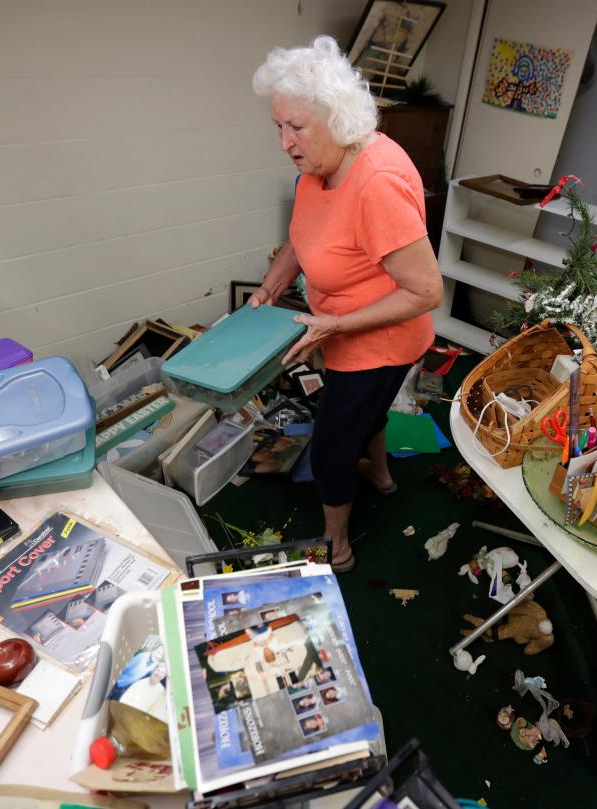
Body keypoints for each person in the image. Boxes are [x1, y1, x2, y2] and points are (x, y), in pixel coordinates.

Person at [249, 36, 442, 573]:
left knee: (333, 445)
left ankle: (338, 547)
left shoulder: (376, 182)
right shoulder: (319, 164)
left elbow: (426, 291)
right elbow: (302, 238)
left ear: (336, 118)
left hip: (378, 338)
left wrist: (334, 323)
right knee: (368, 414)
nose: (285, 142)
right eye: (278, 127)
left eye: (297, 128)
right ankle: (380, 476)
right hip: (339, 327)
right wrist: (270, 285)